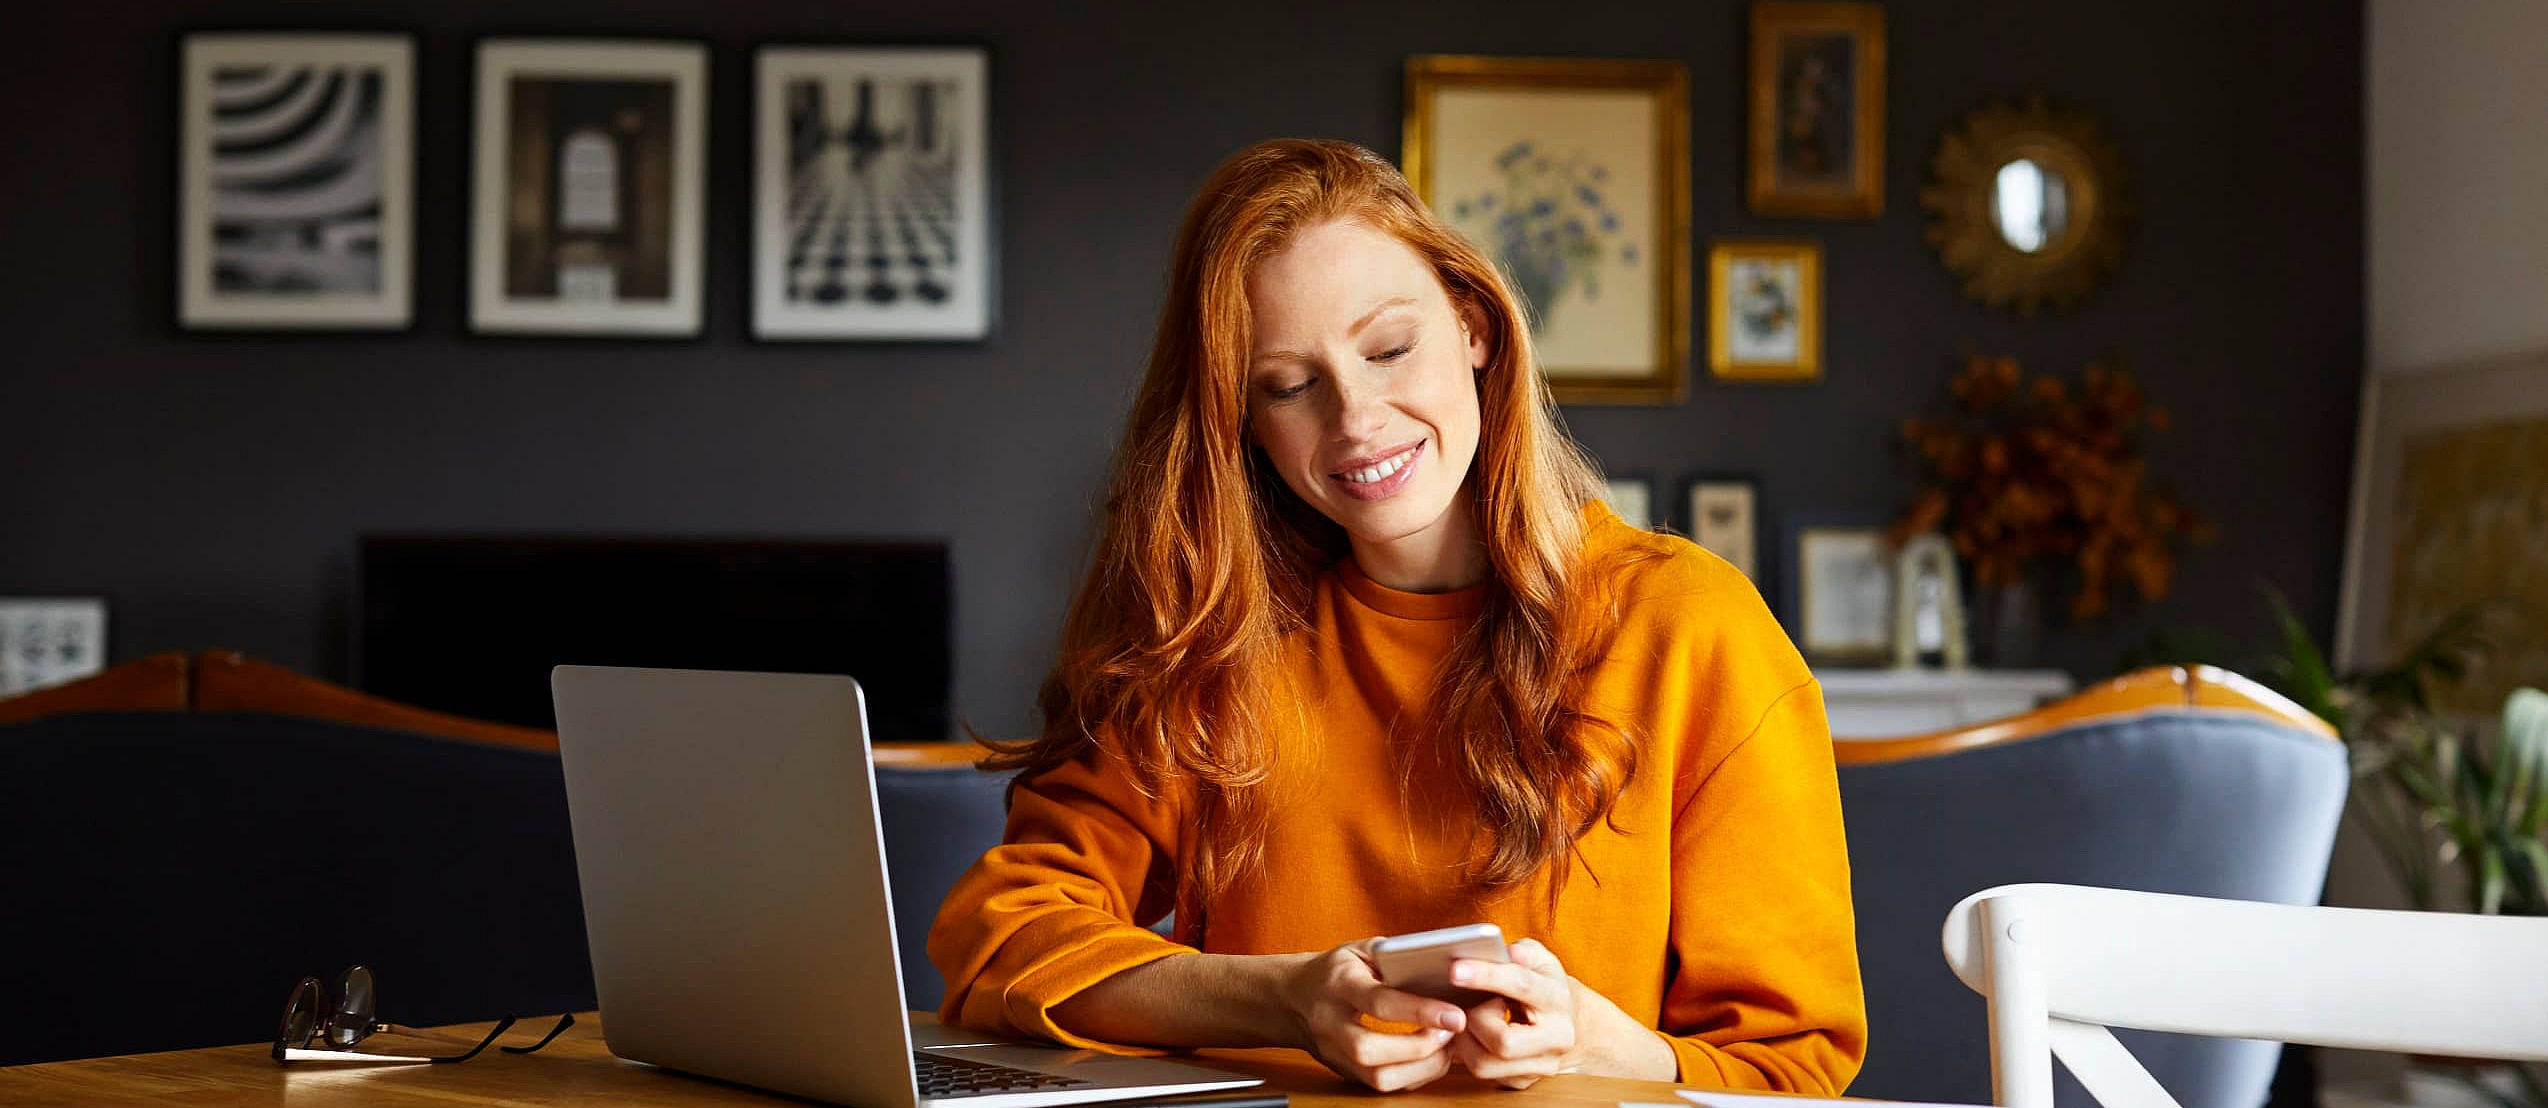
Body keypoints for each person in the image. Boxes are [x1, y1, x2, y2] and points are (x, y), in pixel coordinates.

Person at [928, 138, 1863, 1094]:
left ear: (1474, 328)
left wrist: (1590, 1039)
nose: (1356, 418)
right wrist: (1287, 999)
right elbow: (1005, 935)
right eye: (1290, 386)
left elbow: (1790, 1068)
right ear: (1242, 421)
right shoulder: (1221, 637)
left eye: (1388, 349)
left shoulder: (1690, 628)